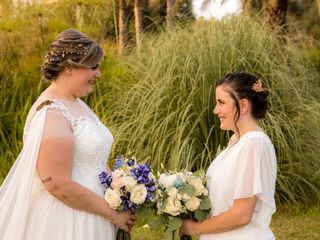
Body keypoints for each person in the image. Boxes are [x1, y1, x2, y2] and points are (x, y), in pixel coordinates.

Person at [0, 29, 135, 240]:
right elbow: (57, 184)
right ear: (69, 67)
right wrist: (113, 214)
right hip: (68, 220)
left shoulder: (76, 103)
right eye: (94, 67)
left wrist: (124, 189)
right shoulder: (51, 112)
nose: (98, 74)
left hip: (94, 213)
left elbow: (94, 161)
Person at [180, 72, 277, 240]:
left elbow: (241, 215)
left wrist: (193, 228)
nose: (215, 110)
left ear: (243, 105)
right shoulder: (236, 141)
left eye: (221, 103)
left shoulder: (254, 144)